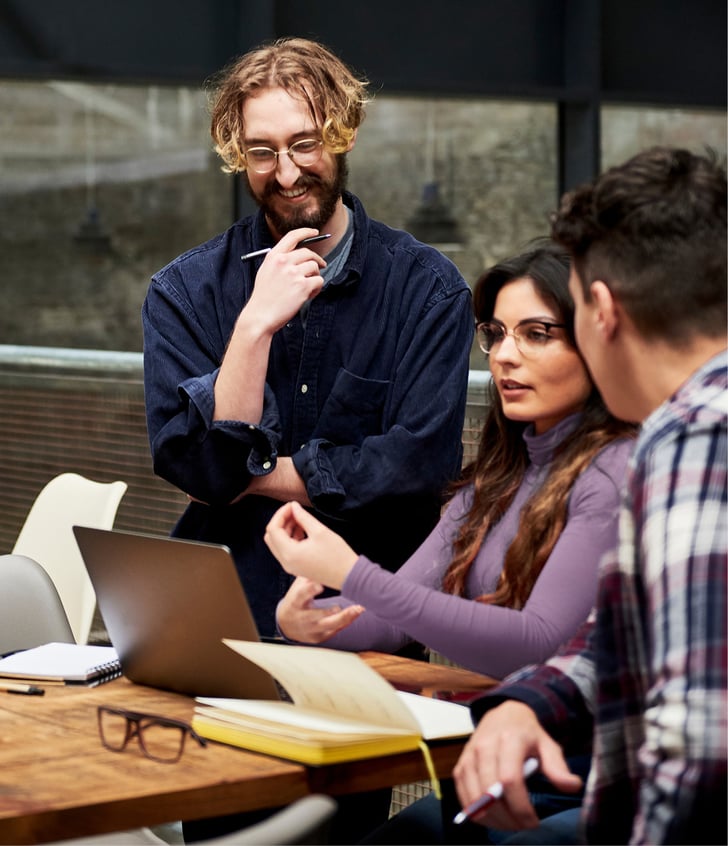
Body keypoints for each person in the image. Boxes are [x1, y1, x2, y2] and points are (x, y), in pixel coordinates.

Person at [141, 37, 474, 636]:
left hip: (364, 625)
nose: (287, 172)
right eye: (262, 151)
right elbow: (199, 471)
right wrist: (253, 326)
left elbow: (416, 470)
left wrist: (255, 476)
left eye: (305, 143)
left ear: (342, 134)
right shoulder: (183, 292)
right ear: (237, 155)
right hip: (217, 620)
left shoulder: (428, 290)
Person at [453, 147, 727, 846]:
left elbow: (699, 751)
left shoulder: (695, 441)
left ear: (599, 313)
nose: (508, 355)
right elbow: (619, 633)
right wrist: (525, 705)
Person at [265, 240, 635, 681]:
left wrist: (352, 573)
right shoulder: (499, 476)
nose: (504, 355)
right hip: (496, 729)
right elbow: (391, 615)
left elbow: (539, 643)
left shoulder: (615, 473)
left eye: (537, 334)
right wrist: (301, 620)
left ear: (596, 342)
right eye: (495, 334)